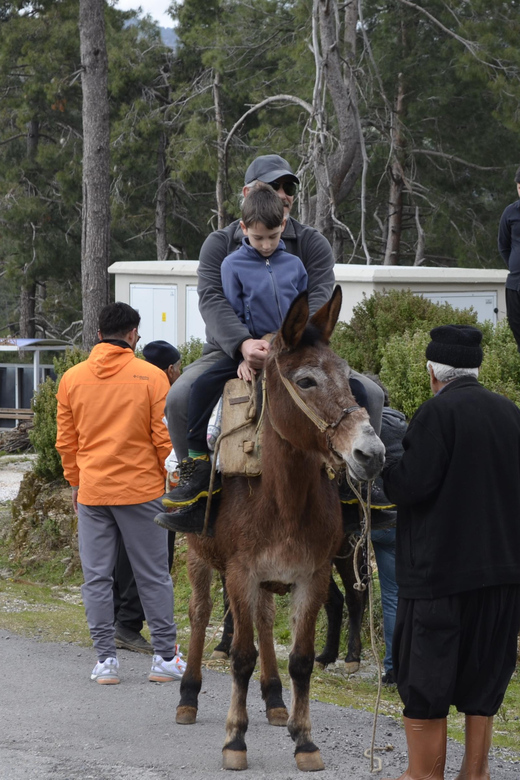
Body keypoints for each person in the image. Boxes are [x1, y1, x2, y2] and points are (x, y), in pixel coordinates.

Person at [163, 153, 384, 470]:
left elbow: (320, 296)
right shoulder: (219, 245)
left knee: (372, 396)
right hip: (229, 350)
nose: (283, 193)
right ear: (247, 194)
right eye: (273, 186)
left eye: (289, 186)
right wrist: (243, 343)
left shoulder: (312, 244)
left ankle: (358, 484)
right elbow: (212, 298)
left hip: (300, 349)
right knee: (179, 398)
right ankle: (194, 478)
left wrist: (280, 343)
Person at [382, 325, 520, 780]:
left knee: (426, 682)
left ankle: (424, 776)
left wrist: (386, 462)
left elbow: (410, 486)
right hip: (502, 577)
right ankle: (474, 775)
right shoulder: (510, 414)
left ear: (432, 373)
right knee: (484, 682)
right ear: (476, 369)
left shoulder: (435, 414)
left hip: (439, 580)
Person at [56, 304, 186, 685]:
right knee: (153, 575)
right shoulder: (151, 376)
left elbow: (67, 441)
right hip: (141, 491)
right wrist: (177, 486)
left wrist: (75, 482)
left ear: (99, 334)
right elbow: (165, 439)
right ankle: (164, 658)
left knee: (96, 578)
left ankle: (105, 661)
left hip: (94, 492)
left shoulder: (71, 378)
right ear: (133, 335)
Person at [162, 183, 308, 511]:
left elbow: (302, 310)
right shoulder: (231, 264)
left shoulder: (296, 266)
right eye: (258, 238)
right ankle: (197, 466)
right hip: (246, 349)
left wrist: (285, 344)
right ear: (243, 229)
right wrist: (242, 352)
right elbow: (231, 311)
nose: (267, 245)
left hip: (287, 350)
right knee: (199, 389)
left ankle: (344, 475)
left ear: (283, 225)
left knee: (341, 388)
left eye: (273, 236)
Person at [113, 340, 181, 655]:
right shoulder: (161, 393)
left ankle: (117, 621)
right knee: (152, 561)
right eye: (178, 367)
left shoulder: (125, 386)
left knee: (120, 556)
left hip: (111, 485)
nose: (180, 373)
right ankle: (127, 625)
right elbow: (165, 444)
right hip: (150, 488)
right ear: (169, 369)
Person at [498, 165, 520, 351]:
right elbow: (503, 246)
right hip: (515, 284)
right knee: (516, 326)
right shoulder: (510, 212)